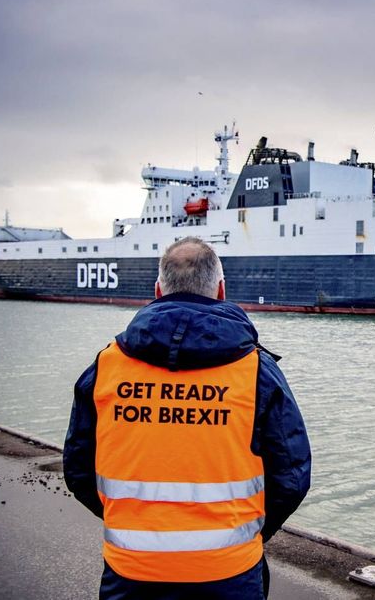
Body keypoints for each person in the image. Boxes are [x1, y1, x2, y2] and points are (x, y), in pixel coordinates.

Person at [64, 237, 311, 599]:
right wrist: (247, 533)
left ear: (158, 290)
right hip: (230, 572)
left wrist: (133, 525)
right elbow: (291, 477)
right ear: (222, 290)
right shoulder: (256, 371)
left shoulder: (106, 368)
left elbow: (78, 469)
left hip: (132, 572)